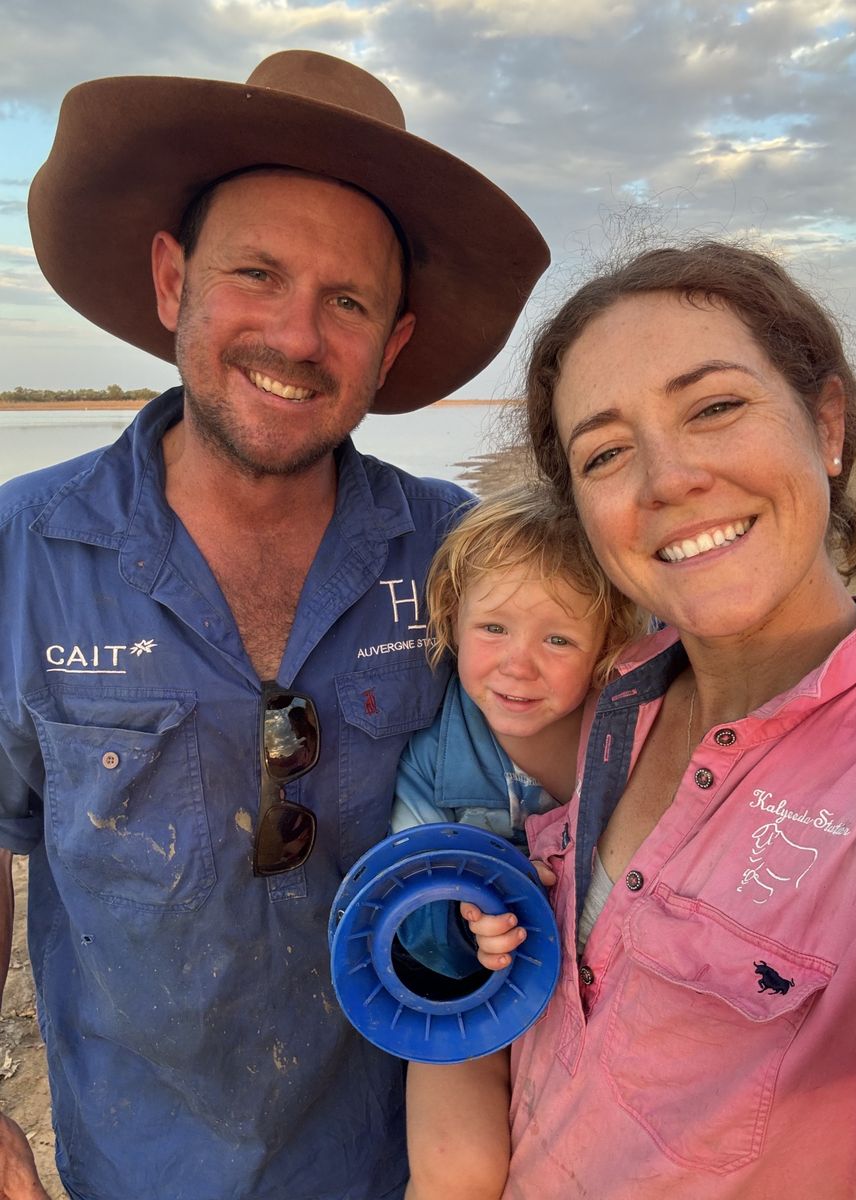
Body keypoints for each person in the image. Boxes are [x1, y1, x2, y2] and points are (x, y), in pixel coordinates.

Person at [0, 51, 548, 1200]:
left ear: (392, 343)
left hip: (410, 1160)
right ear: (171, 282)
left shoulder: (462, 557)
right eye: (256, 273)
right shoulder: (22, 551)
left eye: (347, 300)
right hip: (136, 1169)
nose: (297, 337)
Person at [463, 242, 856, 1198]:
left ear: (826, 424)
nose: (666, 479)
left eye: (714, 408)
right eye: (607, 453)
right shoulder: (618, 695)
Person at [388, 483, 646, 1200]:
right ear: (451, 619)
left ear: (605, 647)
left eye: (557, 638)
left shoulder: (634, 735)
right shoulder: (434, 759)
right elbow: (406, 898)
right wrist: (463, 928)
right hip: (471, 996)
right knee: (454, 1175)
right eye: (493, 628)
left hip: (597, 1000)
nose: (517, 664)